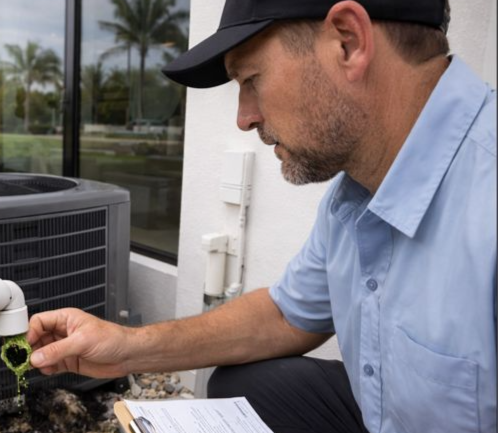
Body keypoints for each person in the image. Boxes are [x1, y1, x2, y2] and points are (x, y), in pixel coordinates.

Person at [27, 0, 497, 431]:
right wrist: (126, 350)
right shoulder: (353, 195)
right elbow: (284, 317)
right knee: (244, 383)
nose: (244, 118)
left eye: (251, 79)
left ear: (348, 42)